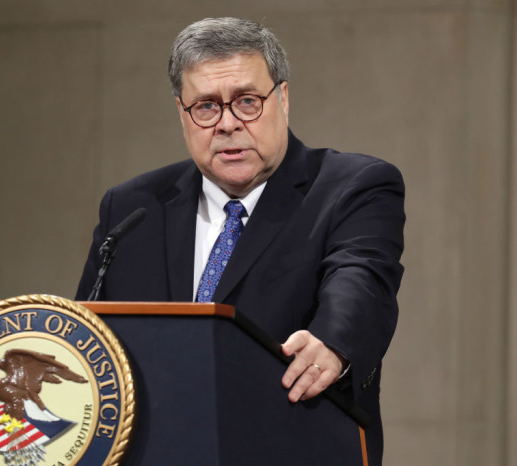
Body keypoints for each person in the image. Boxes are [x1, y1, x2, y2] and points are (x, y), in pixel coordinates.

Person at [77, 17, 404, 464]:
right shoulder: (133, 208)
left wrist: (332, 339)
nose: (228, 124)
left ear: (283, 99)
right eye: (206, 106)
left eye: (247, 102)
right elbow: (86, 341)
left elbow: (362, 276)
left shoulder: (352, 186)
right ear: (182, 112)